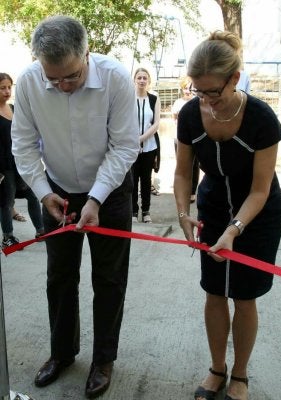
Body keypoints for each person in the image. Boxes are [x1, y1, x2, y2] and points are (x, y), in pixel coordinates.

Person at [11, 15, 139, 398]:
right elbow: (23, 145)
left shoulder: (115, 78)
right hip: (58, 191)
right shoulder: (30, 82)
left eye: (71, 77)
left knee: (109, 278)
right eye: (54, 79)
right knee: (60, 276)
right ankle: (62, 352)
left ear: (87, 53)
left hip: (111, 190)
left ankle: (103, 359)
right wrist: (41, 191)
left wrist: (97, 197)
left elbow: (125, 146)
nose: (63, 87)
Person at [174, 30, 281, 400]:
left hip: (257, 215)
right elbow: (181, 172)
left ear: (234, 79)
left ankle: (240, 375)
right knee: (214, 290)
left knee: (244, 294)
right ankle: (216, 368)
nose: (206, 101)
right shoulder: (190, 115)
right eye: (197, 91)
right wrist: (183, 212)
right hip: (214, 208)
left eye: (213, 92)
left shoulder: (261, 118)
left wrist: (235, 229)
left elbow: (260, 189)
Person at [0, 72, 44, 249]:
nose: (7, 91)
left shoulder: (13, 108)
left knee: (33, 196)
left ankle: (41, 231)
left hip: (21, 161)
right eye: (2, 88)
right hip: (4, 166)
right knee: (6, 201)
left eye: (9, 87)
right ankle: (8, 238)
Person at [132, 67, 161, 223]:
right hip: (131, 146)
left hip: (149, 145)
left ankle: (146, 211)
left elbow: (156, 123)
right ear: (134, 80)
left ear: (148, 81)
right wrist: (133, 139)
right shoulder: (128, 98)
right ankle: (134, 212)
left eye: (145, 78)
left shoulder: (154, 99)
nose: (142, 80)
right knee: (132, 179)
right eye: (139, 77)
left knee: (146, 179)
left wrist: (142, 138)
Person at [172, 75, 199, 203]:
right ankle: (183, 190)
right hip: (180, 138)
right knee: (182, 165)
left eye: (189, 88)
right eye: (185, 88)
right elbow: (174, 119)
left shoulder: (198, 101)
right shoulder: (178, 103)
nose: (187, 91)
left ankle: (193, 191)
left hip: (196, 138)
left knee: (195, 166)